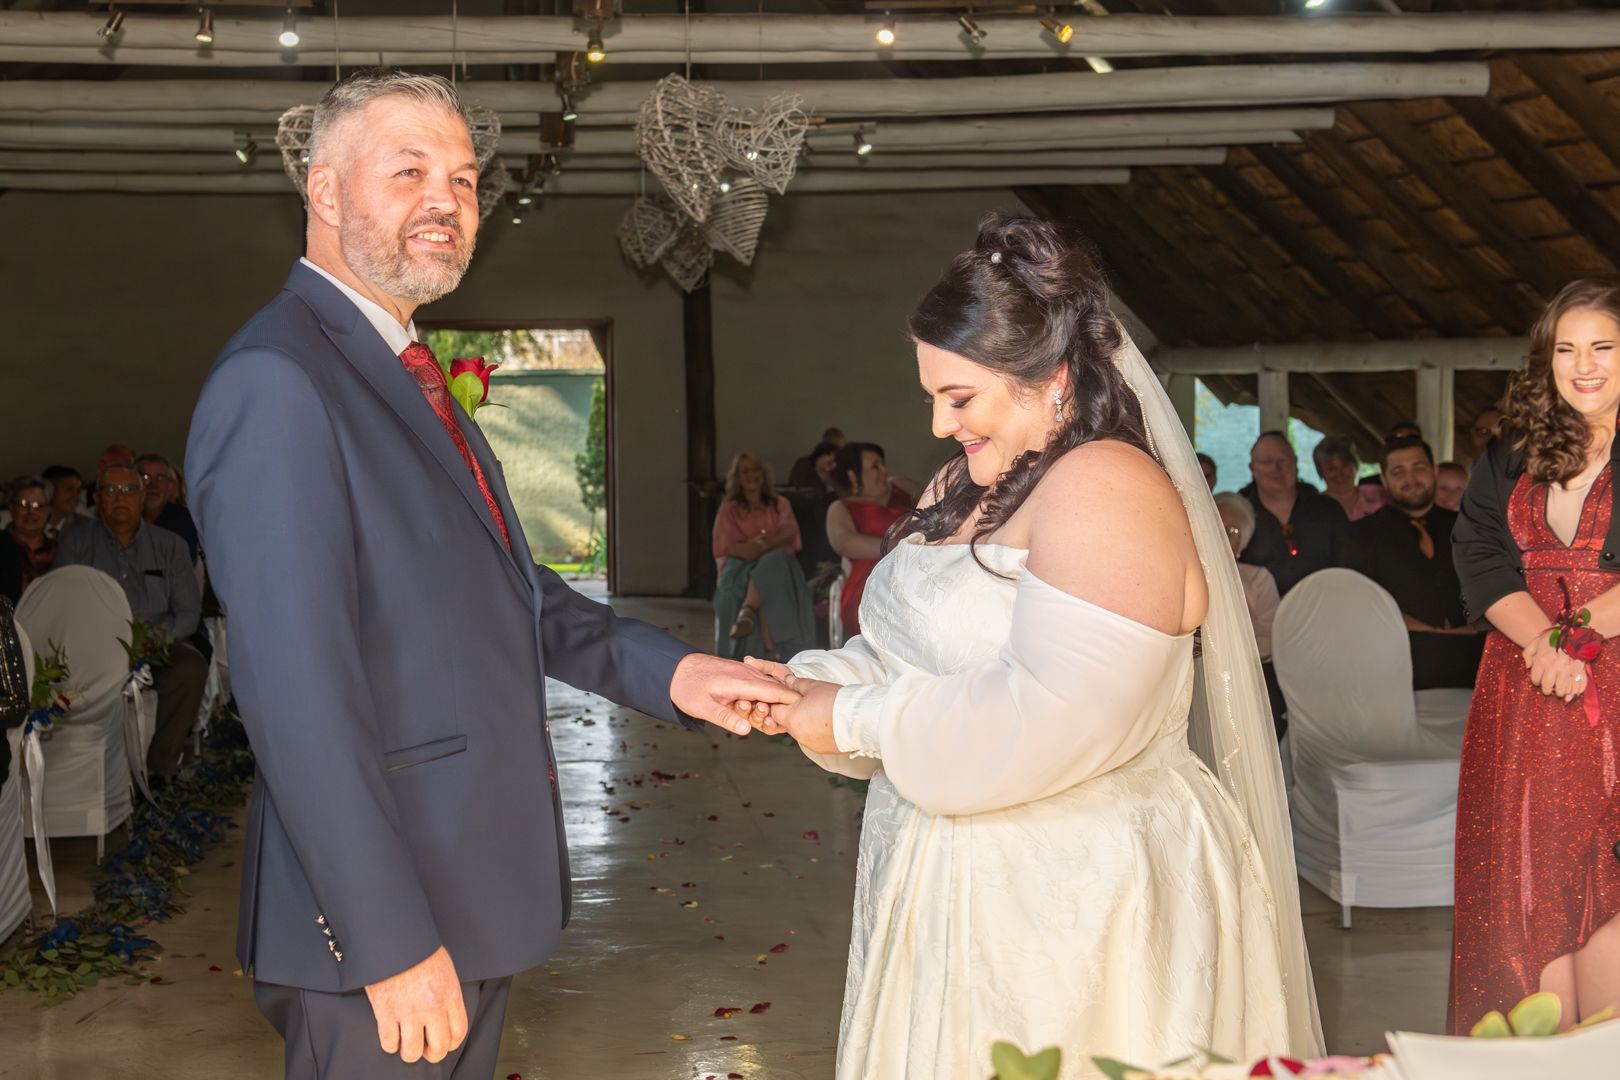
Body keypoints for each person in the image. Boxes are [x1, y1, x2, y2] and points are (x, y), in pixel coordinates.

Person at [183, 69, 793, 1080]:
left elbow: (504, 589)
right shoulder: (279, 381)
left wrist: (678, 673)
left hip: (464, 891)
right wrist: (388, 942)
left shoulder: (401, 369)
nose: (448, 201)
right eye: (410, 171)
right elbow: (296, 693)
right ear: (324, 191)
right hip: (384, 929)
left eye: (465, 180)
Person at [750, 216, 1320, 1074]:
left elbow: (1055, 714)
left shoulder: (1106, 488)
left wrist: (852, 717)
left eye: (959, 398)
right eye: (932, 397)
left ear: (1050, 379)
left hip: (1072, 895)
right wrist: (803, 685)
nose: (938, 425)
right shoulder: (965, 481)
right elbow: (913, 643)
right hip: (947, 876)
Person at [1450, 277, 1620, 1034]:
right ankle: (1545, 1057)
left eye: (1603, 347)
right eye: (1566, 349)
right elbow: (1479, 555)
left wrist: (1572, 637)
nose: (1584, 366)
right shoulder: (1509, 452)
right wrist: (1542, 643)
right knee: (1529, 882)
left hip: (1611, 684)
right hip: (1525, 692)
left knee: (1606, 878)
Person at [56, 465, 206, 782]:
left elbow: (188, 613)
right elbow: (64, 605)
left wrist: (151, 640)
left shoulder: (170, 546)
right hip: (95, 646)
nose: (120, 497)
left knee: (191, 667)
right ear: (97, 498)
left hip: (159, 643)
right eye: (111, 490)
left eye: (128, 490)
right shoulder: (75, 543)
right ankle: (94, 774)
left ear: (141, 497)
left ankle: (159, 769)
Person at [1343, 436, 1483, 690]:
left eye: (1419, 467)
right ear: (1384, 481)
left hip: (1475, 667)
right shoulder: (1359, 536)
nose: (1411, 478)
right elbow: (1363, 605)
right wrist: (1435, 634)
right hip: (1400, 671)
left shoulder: (1471, 528)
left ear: (1434, 471)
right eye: (1399, 472)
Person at [711, 453, 815, 661]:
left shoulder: (780, 504)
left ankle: (748, 611)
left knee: (774, 563)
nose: (752, 475)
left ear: (764, 473)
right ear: (738, 478)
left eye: (756, 469)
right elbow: (726, 547)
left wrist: (762, 545)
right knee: (769, 571)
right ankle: (771, 652)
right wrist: (765, 545)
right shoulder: (729, 508)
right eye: (745, 471)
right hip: (741, 567)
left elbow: (791, 536)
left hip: (780, 566)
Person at [1241, 431, 1349, 595]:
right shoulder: (1239, 514)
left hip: (1326, 603)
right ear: (1252, 468)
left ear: (1295, 462)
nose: (1275, 468)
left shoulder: (1328, 510)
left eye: (1282, 460)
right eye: (1266, 462)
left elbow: (1347, 568)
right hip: (1259, 609)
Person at [826, 442, 914, 639]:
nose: (884, 471)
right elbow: (844, 543)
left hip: (913, 572)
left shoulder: (903, 490)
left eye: (883, 464)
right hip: (868, 583)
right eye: (875, 466)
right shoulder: (840, 508)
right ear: (852, 475)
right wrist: (901, 546)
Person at [136, 453, 201, 564]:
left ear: (171, 485)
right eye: (145, 478)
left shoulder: (185, 520)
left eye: (160, 478)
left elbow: (183, 564)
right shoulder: (122, 517)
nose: (153, 485)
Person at [0, 477, 56, 605]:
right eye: (24, 505)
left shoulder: (58, 550)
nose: (31, 512)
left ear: (48, 511)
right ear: (11, 508)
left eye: (38, 506)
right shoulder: (3, 544)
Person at [1313, 435, 1361, 519]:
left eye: (1345, 465)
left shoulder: (1378, 497)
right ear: (1321, 472)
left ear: (1355, 465)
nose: (1340, 473)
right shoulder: (1312, 507)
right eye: (1332, 468)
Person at [40, 465, 88, 538]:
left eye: (78, 491)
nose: (76, 498)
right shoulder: (29, 525)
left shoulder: (86, 528)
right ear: (49, 491)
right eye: (69, 489)